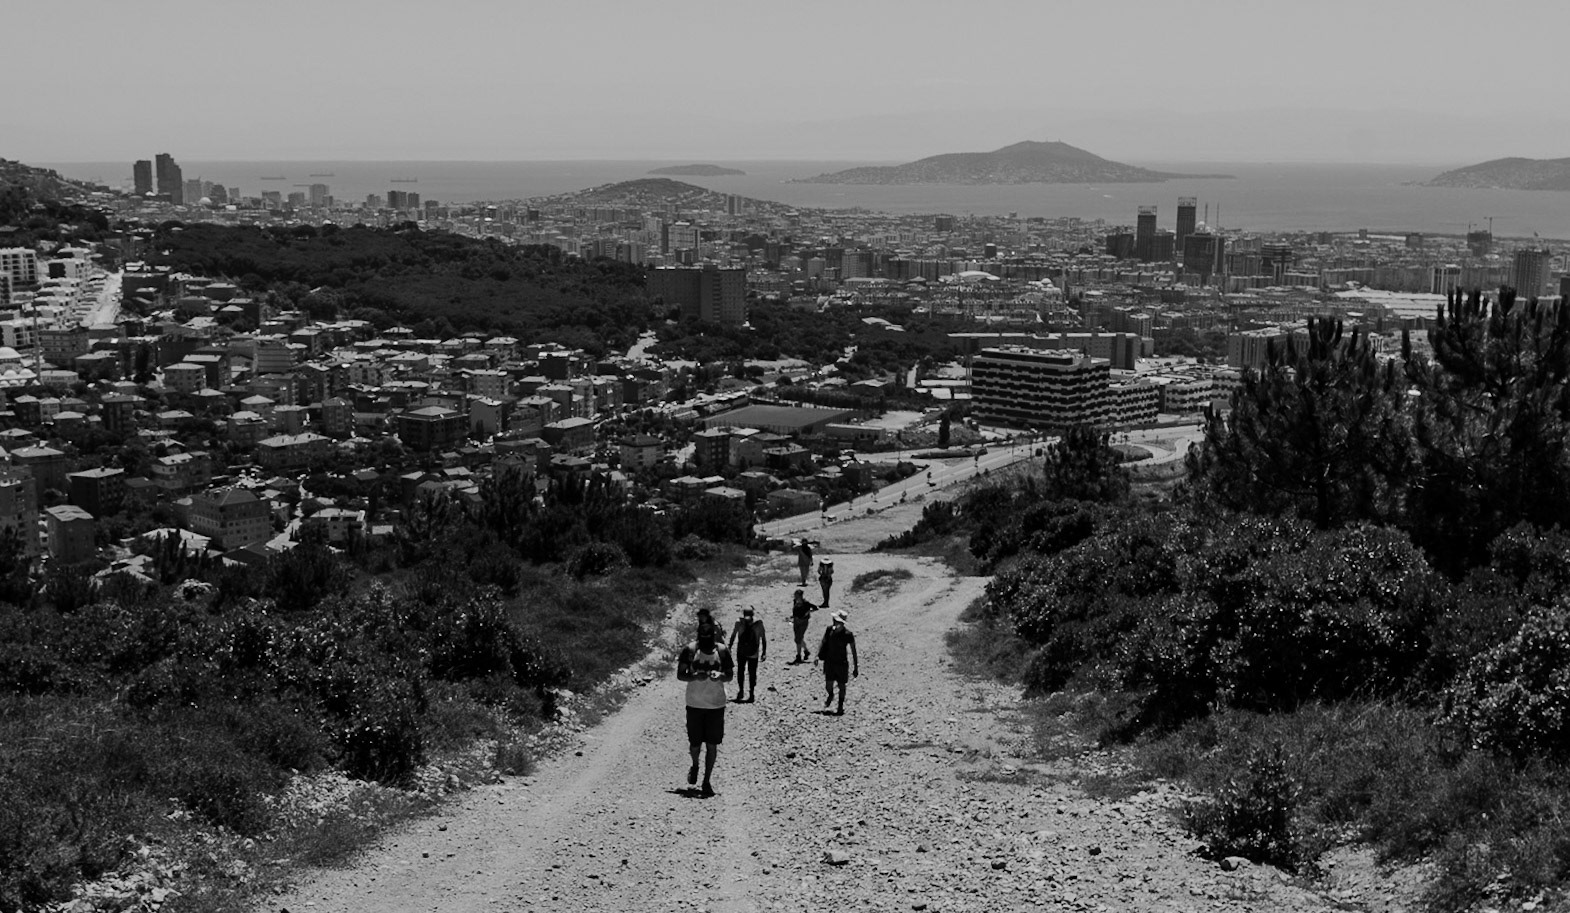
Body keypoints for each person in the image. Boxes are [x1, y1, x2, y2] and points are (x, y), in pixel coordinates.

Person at [676, 620, 733, 797]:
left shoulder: (723, 651)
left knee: (712, 744)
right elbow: (680, 674)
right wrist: (694, 677)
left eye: (714, 631)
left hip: (716, 704)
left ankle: (706, 780)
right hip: (694, 703)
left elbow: (730, 675)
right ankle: (695, 764)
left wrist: (720, 676)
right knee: (695, 744)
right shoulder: (690, 650)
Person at [814, 610, 858, 715]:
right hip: (829, 662)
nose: (834, 621)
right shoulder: (829, 630)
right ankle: (831, 694)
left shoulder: (848, 634)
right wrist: (817, 656)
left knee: (842, 685)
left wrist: (856, 666)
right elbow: (823, 642)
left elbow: (853, 651)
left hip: (841, 663)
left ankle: (840, 706)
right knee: (828, 684)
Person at [727, 607, 767, 702]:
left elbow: (733, 635)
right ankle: (751, 693)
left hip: (741, 651)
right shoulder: (758, 624)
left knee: (741, 671)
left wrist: (729, 647)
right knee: (752, 672)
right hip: (753, 652)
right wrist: (764, 652)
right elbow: (763, 638)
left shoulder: (739, 622)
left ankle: (741, 691)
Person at [790, 589, 817, 663]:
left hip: (803, 622)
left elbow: (815, 608)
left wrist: (808, 612)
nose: (795, 596)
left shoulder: (806, 603)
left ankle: (798, 655)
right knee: (799, 638)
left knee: (798, 639)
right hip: (796, 621)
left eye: (796, 595)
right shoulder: (795, 602)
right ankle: (806, 651)